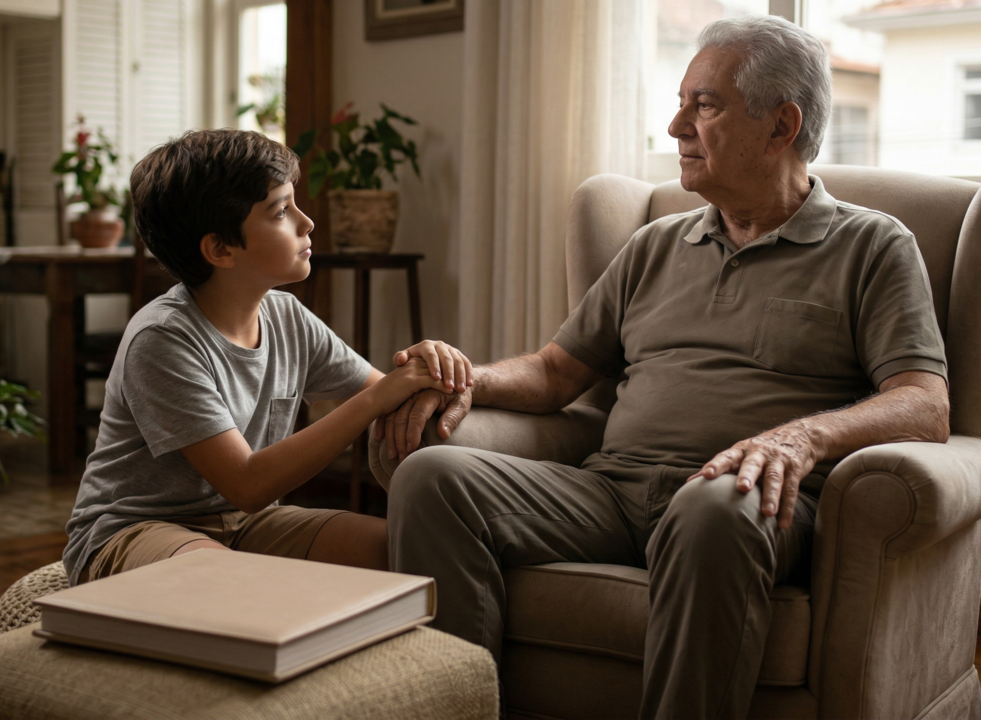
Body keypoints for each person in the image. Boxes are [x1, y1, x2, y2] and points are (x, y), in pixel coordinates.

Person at [379, 15, 950, 719]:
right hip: (611, 493)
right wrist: (464, 377)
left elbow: (925, 404)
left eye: (704, 105)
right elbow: (557, 372)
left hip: (744, 501)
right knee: (433, 476)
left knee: (715, 506)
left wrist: (802, 437)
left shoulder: (873, 246)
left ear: (781, 126)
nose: (677, 126)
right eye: (681, 103)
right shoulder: (654, 244)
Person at [63, 129, 471, 588]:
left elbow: (391, 393)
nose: (307, 222)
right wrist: (380, 398)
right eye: (281, 211)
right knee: (228, 582)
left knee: (409, 549)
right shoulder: (162, 339)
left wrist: (428, 369)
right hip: (134, 529)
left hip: (245, 523)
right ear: (221, 249)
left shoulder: (286, 316)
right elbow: (248, 484)